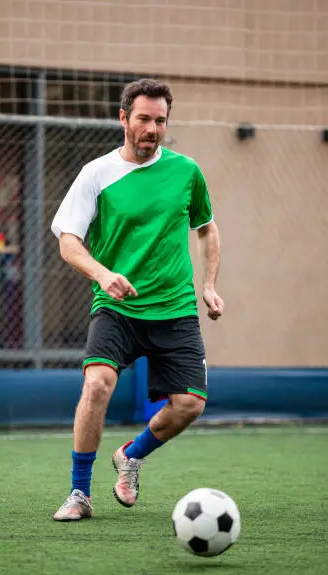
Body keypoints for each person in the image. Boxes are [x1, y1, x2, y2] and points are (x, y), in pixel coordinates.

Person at [51, 78, 223, 521]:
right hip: (117, 307)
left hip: (174, 307)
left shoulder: (187, 171)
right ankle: (79, 494)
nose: (152, 128)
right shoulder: (96, 173)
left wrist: (208, 285)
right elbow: (69, 241)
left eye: (160, 120)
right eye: (143, 118)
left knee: (189, 405)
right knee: (96, 385)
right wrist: (103, 274)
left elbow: (206, 227)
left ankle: (131, 455)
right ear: (123, 118)